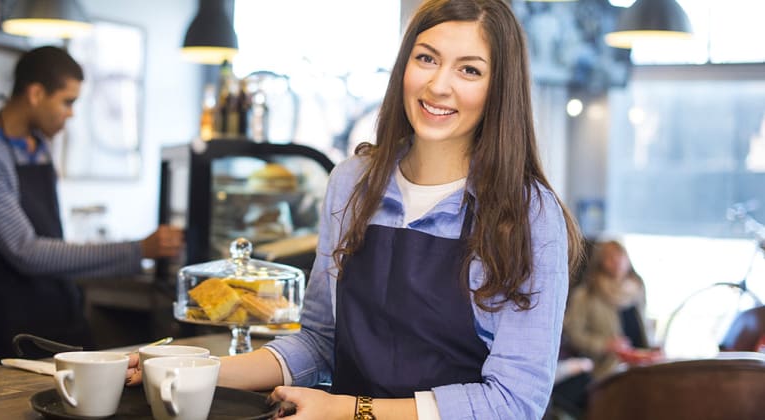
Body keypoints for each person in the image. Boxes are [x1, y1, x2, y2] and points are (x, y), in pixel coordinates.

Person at [130, 0, 581, 418]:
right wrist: (191, 369)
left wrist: (350, 411)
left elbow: (514, 401)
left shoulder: (528, 214)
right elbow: (320, 341)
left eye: (469, 70)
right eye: (426, 58)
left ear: (499, 89)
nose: (438, 85)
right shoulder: (352, 183)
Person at [0, 46, 182, 368]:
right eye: (67, 101)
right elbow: (26, 251)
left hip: (59, 308)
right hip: (9, 323)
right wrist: (137, 250)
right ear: (35, 93)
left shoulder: (40, 145)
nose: (71, 113)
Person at [563, 240, 654, 380]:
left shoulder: (638, 289)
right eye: (610, 257)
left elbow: (643, 328)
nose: (616, 261)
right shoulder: (586, 294)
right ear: (600, 262)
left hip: (641, 367)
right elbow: (573, 334)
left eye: (620, 255)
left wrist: (652, 348)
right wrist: (604, 345)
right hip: (606, 371)